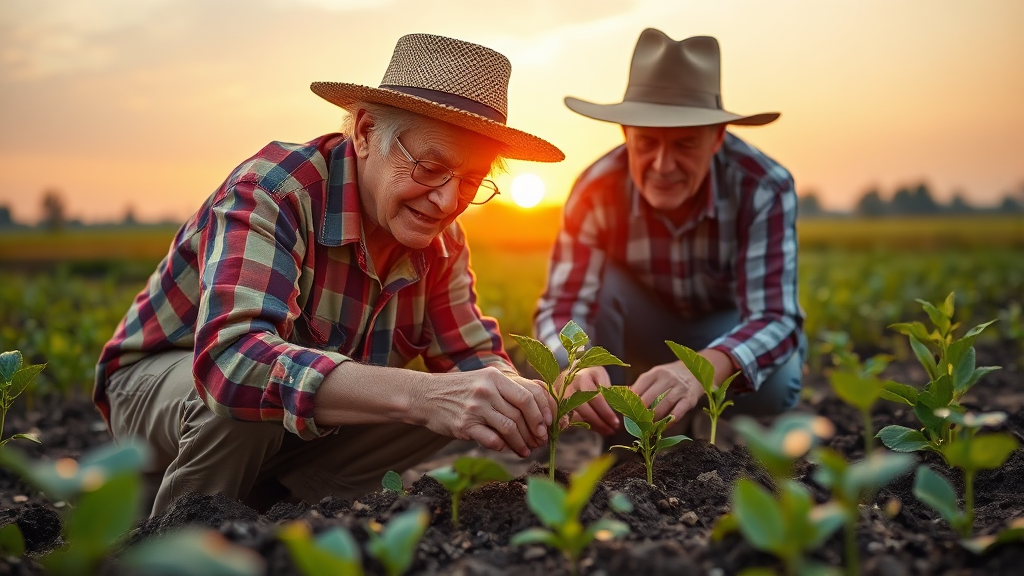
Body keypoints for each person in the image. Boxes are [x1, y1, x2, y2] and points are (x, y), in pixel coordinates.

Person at [94, 33, 565, 516]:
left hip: (288, 424)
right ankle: (180, 533)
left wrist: (515, 393)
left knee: (465, 403)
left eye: (470, 181)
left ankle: (278, 506)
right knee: (251, 405)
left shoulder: (440, 238)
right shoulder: (275, 192)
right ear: (364, 133)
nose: (447, 201)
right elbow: (232, 362)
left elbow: (469, 353)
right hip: (158, 386)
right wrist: (424, 395)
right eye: (429, 167)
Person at [533, 29, 805, 439]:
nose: (662, 165)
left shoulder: (762, 186)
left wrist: (701, 369)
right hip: (640, 340)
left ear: (717, 138)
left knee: (779, 383)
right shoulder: (595, 190)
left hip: (722, 332)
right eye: (646, 143)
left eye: (684, 144)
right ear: (625, 133)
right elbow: (562, 303)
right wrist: (575, 363)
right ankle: (624, 442)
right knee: (596, 288)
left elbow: (776, 316)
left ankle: (697, 415)